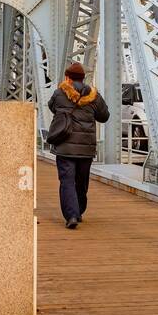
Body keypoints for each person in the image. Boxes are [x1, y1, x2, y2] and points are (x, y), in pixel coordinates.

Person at [46, 62, 109, 229]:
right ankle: (79, 210)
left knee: (66, 181)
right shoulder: (93, 95)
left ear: (67, 77)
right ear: (83, 78)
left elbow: (52, 107)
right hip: (86, 148)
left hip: (65, 146)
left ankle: (71, 215)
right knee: (81, 182)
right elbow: (104, 116)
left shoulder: (60, 93)